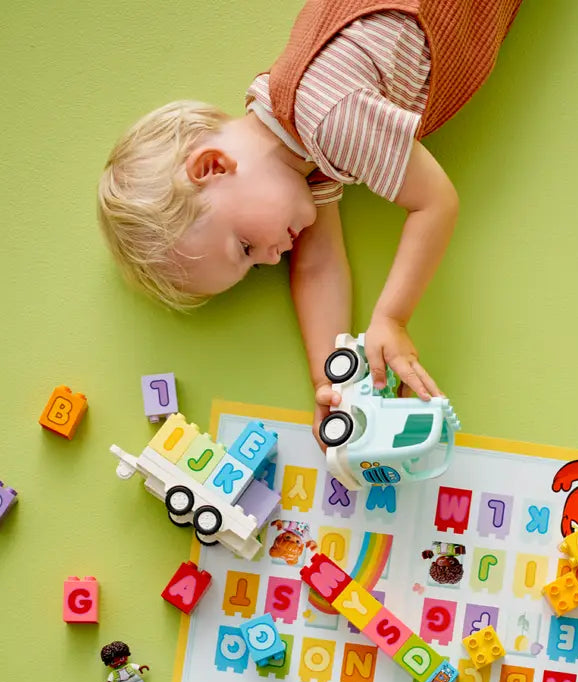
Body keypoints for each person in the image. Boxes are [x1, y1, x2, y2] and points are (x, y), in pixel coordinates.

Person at [98, 2, 524, 437]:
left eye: (245, 247)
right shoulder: (297, 149)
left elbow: (435, 203)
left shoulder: (326, 120)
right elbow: (316, 263)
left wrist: (391, 318)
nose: (270, 257)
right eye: (254, 266)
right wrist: (330, 382)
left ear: (212, 167)